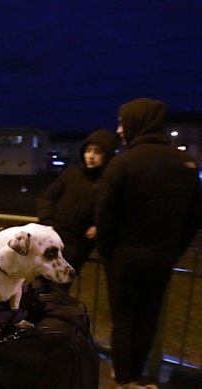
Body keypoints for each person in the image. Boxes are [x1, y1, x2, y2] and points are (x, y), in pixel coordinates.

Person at [95, 98, 201, 389]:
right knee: (148, 319)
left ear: (135, 122)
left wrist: (109, 254)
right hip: (162, 258)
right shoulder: (186, 164)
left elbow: (104, 217)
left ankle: (123, 378)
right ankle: (138, 375)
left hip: (124, 259)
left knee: (124, 320)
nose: (119, 131)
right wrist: (174, 251)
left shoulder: (122, 164)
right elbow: (194, 218)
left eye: (121, 122)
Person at [37, 128, 118, 285]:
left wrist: (99, 226)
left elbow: (115, 212)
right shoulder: (71, 173)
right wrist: (48, 224)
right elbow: (47, 197)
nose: (91, 156)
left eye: (98, 152)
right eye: (88, 150)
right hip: (53, 238)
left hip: (77, 245)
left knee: (59, 289)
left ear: (107, 155)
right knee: (38, 285)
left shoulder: (109, 182)